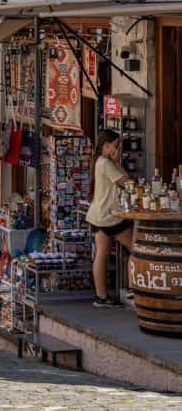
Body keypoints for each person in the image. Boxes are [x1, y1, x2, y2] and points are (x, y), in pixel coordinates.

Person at [85, 129, 133, 307]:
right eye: (116, 145)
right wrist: (117, 161)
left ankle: (101, 297)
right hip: (110, 216)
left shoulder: (99, 161)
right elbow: (127, 182)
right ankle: (133, 289)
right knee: (135, 248)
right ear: (107, 146)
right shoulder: (106, 163)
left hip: (99, 214)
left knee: (101, 255)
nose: (118, 148)